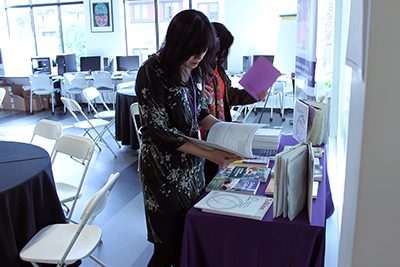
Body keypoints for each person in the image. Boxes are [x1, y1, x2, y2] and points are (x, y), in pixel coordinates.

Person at [135, 10, 240, 267]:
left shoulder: (192, 69)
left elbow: (201, 113)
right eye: (195, 52)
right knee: (165, 249)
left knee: (187, 241)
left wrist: (228, 133)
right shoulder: (151, 72)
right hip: (163, 173)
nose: (200, 57)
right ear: (177, 44)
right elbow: (161, 131)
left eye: (204, 51)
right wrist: (211, 154)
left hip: (192, 170)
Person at [203, 22, 269, 183]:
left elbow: (229, 95)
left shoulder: (217, 69)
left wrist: (254, 95)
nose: (220, 55)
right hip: (204, 137)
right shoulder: (197, 70)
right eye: (220, 50)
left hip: (220, 132)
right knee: (208, 178)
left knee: (219, 177)